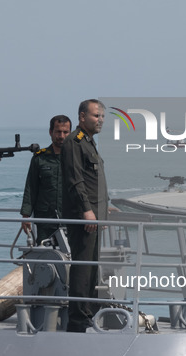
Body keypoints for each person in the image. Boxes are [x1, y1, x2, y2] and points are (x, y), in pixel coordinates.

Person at [61, 99, 108, 332]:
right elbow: (75, 180)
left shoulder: (89, 142)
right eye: (95, 116)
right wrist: (87, 211)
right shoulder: (74, 142)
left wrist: (103, 209)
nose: (100, 120)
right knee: (82, 267)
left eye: (102, 117)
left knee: (91, 266)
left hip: (95, 215)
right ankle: (78, 319)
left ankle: (88, 313)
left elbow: (92, 181)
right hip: (84, 217)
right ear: (82, 117)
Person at [20, 115, 72, 243]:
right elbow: (31, 188)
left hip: (71, 218)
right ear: (50, 132)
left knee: (73, 256)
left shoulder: (77, 158)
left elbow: (90, 185)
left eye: (65, 132)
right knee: (45, 256)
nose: (62, 136)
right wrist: (26, 215)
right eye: (58, 132)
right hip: (46, 220)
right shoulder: (40, 158)